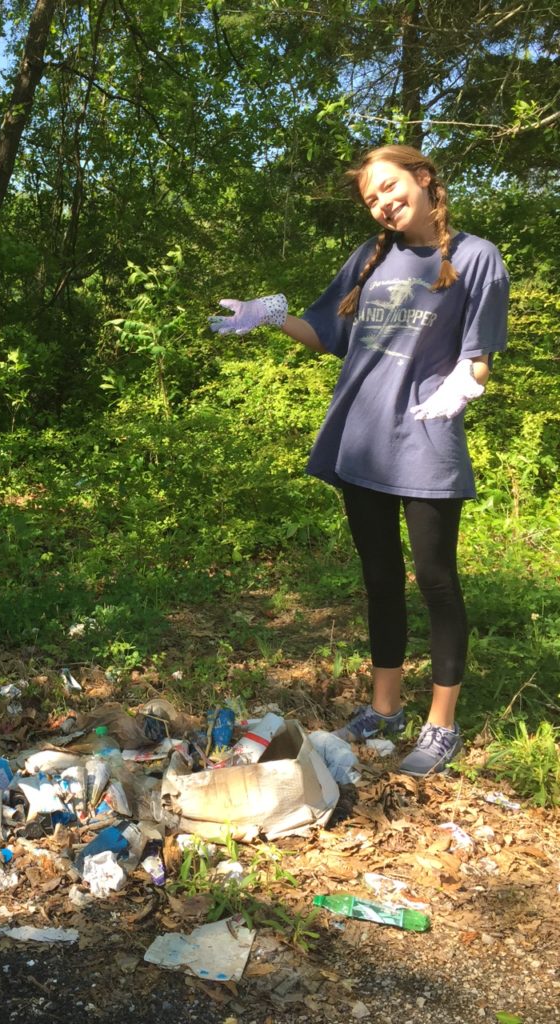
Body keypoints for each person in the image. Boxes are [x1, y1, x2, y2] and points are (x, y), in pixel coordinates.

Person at [209, 145, 509, 777]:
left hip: (426, 440)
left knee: (436, 581)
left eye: (391, 188)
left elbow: (479, 354)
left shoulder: (475, 257)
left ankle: (441, 725)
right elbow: (327, 334)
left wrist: (463, 384)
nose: (383, 204)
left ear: (423, 180)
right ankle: (385, 709)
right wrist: (272, 315)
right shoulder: (371, 258)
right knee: (380, 581)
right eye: (372, 198)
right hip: (361, 439)